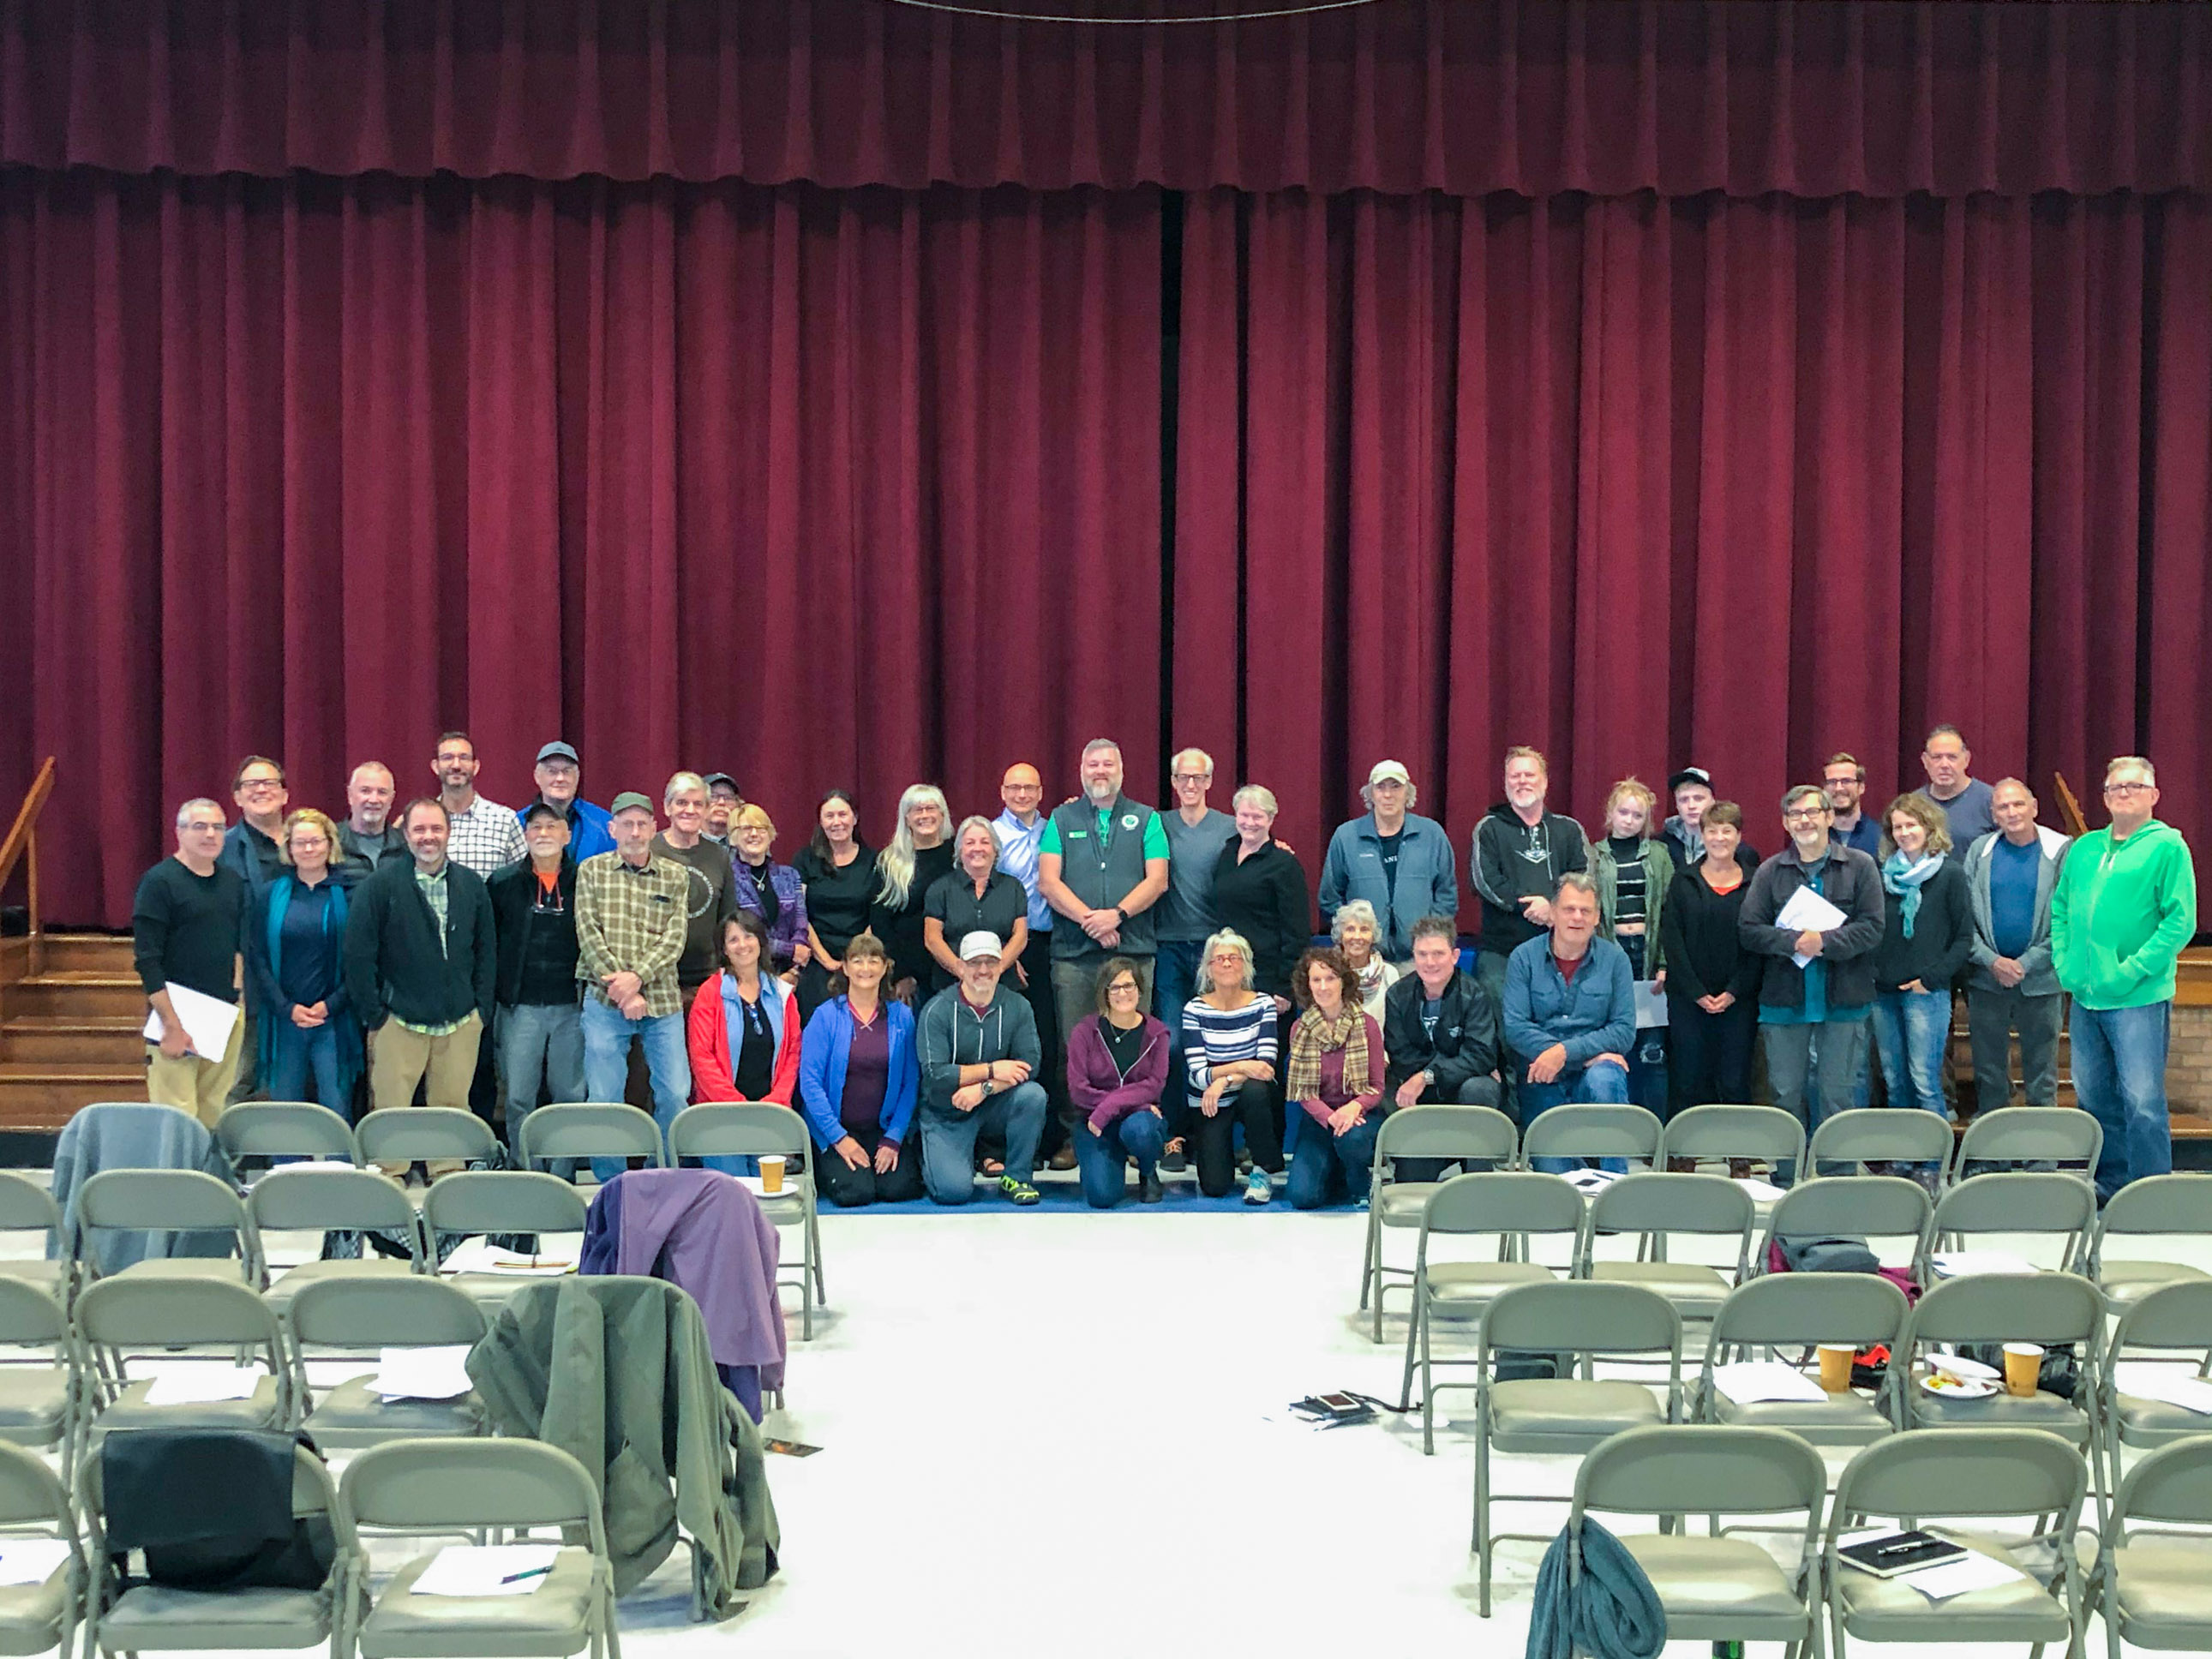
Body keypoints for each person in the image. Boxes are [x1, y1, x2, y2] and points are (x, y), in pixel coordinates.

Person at [2053, 757, 2198, 1199]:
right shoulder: (2084, 849)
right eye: (2115, 788)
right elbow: (2061, 909)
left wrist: (2132, 968)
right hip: (2086, 997)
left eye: (2134, 787)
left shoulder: (2168, 846)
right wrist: (2065, 963)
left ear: (2153, 796)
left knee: (2142, 1102)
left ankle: (2151, 1195)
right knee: (2094, 1099)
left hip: (2138, 996)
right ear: (2104, 798)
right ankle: (2110, 1185)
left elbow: (2179, 922)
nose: (2124, 794)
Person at [343, 798, 496, 1176]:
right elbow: (358, 956)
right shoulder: (379, 886)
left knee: (452, 1107)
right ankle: (391, 1182)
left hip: (460, 1022)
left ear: (448, 832)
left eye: (436, 829)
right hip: (398, 1022)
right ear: (405, 835)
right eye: (420, 830)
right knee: (391, 1112)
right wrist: (376, 1015)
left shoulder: (471, 885)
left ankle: (447, 1177)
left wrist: (480, 1010)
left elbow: (487, 951)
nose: (429, 838)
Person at [1739, 786, 1886, 1168]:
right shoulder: (1771, 871)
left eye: (1811, 812)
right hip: (1784, 1002)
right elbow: (1749, 929)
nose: (1804, 820)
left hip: (1844, 1001)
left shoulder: (1861, 866)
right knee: (1785, 1095)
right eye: (1795, 815)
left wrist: (1823, 942)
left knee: (1837, 1096)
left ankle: (1836, 1180)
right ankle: (1788, 1178)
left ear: (1827, 817)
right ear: (1786, 823)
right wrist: (1795, 942)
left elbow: (1873, 928)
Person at [574, 793, 692, 1171]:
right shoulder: (591, 871)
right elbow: (588, 935)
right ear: (612, 829)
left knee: (675, 1093)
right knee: (605, 1097)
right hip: (605, 1001)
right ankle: (612, 1182)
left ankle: (663, 1172)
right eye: (626, 824)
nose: (635, 831)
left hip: (662, 1002)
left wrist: (638, 978)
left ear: (655, 828)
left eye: (642, 823)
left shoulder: (676, 875)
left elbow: (675, 938)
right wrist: (623, 991)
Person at [1502, 873, 1636, 1171]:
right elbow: (1516, 1027)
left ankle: (1616, 1187)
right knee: (1557, 1180)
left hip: (1592, 1071)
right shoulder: (1523, 958)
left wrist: (1563, 1054)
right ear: (1552, 912)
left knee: (1607, 1078)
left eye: (1585, 910)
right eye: (1569, 909)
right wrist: (1570, 1054)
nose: (1577, 917)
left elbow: (1623, 1031)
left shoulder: (1616, 960)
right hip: (1541, 1076)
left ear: (1597, 916)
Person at [134, 799, 248, 1124]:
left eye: (218, 827)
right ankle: (178, 1177)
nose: (210, 834)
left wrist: (237, 998)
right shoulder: (159, 882)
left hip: (224, 1013)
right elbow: (147, 961)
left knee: (213, 1112)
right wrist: (171, 1024)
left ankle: (206, 1177)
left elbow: (236, 946)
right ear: (179, 833)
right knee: (177, 1118)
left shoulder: (231, 881)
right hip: (177, 1015)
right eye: (200, 826)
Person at [1961, 780, 2071, 1115]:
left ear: (2034, 807)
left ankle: (2042, 1158)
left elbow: (2070, 918)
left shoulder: (2061, 851)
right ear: (1993, 813)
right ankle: (1996, 1156)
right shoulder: (1980, 851)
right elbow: (1964, 917)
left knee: (2042, 1076)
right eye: (2003, 807)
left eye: (2018, 804)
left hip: (2041, 982)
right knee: (1990, 1074)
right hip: (1986, 980)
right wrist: (1992, 961)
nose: (2012, 812)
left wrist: (2026, 963)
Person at [1472, 746, 1591, 1053]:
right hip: (1501, 954)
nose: (1522, 781)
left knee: (1556, 1036)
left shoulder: (1569, 830)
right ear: (1506, 783)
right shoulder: (1489, 828)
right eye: (1515, 775)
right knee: (1505, 1037)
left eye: (1529, 774)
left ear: (1545, 782)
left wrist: (1553, 910)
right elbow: (1486, 881)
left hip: (1557, 952)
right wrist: (1532, 907)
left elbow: (1584, 880)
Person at [914, 931, 1047, 1207]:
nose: (983, 970)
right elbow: (936, 1073)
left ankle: (1017, 1176)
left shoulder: (1018, 1006)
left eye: (991, 962)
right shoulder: (936, 1010)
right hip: (946, 1110)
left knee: (1032, 1095)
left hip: (992, 1102)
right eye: (975, 963)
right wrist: (992, 1070)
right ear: (961, 966)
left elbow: (1030, 1064)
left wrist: (986, 1088)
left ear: (1002, 965)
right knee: (952, 1192)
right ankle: (929, 1150)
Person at [243, 809, 360, 1116]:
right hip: (284, 1019)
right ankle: (288, 1165)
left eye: (315, 842)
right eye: (300, 843)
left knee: (336, 1104)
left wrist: (332, 1004)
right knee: (285, 1107)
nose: (309, 849)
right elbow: (257, 957)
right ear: (289, 848)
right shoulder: (270, 895)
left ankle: (340, 1164)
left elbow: (360, 959)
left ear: (330, 844)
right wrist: (286, 1007)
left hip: (333, 1018)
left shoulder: (350, 895)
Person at [1869, 793, 1973, 1130]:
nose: (1904, 832)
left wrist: (1931, 978)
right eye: (1897, 827)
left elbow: (1963, 939)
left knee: (1925, 1080)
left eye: (1911, 825)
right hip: (1883, 993)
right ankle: (1903, 1157)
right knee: (1895, 1081)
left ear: (1929, 828)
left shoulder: (1950, 875)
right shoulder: (1882, 875)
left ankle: (1931, 1162)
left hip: (1927, 992)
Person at [798, 932, 924, 1208]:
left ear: (885, 967)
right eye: (857, 961)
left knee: (900, 1188)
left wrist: (893, 1138)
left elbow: (910, 1082)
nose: (865, 968)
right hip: (836, 1131)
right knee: (856, 1193)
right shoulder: (825, 1016)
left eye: (873, 961)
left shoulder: (902, 1017)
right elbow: (809, 1083)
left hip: (882, 1129)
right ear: (845, 967)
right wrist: (839, 1139)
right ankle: (829, 1165)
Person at [486, 803, 584, 1157]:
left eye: (552, 826)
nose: (543, 834)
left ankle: (564, 1169)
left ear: (566, 835)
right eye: (536, 827)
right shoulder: (502, 883)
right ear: (525, 836)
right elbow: (488, 944)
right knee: (517, 1096)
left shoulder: (585, 881)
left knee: (570, 1095)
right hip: (519, 1007)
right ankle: (523, 1166)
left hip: (571, 1006)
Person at [1658, 801, 1761, 1115]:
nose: (1719, 838)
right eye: (1712, 831)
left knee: (1735, 1079)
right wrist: (1697, 993)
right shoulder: (1683, 881)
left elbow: (1760, 944)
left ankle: (1738, 1156)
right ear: (1702, 835)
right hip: (1688, 998)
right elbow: (1672, 940)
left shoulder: (1756, 883)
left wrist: (1733, 992)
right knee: (1687, 1077)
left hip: (1739, 999)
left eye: (1727, 830)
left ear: (1739, 836)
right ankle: (1683, 1154)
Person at [1589, 778, 1675, 1117]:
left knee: (1652, 1048)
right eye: (1623, 812)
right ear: (1610, 813)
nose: (1629, 820)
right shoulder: (1593, 854)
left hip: (1648, 953)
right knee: (1612, 1041)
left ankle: (1653, 1132)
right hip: (1610, 952)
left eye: (1637, 816)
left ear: (1647, 822)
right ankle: (1615, 1127)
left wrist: (1665, 962)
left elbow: (1670, 910)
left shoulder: (1658, 854)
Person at [1181, 929, 1284, 1203]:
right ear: (1208, 969)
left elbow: (1265, 1066)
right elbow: (1198, 1074)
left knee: (1256, 1089)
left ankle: (1262, 1171)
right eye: (1220, 959)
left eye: (1234, 958)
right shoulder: (1195, 1009)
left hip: (1249, 1094)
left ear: (1246, 965)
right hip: (1210, 1100)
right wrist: (1239, 1067)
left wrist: (1223, 1079)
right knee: (1215, 1186)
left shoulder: (1263, 1004)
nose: (1227, 964)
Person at [1318, 760, 1457, 963]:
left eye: (1396, 787)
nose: (1388, 795)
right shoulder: (1346, 836)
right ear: (1370, 793)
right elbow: (1330, 898)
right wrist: (1355, 937)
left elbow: (1447, 894)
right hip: (1362, 960)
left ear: (1408, 793)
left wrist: (1428, 937)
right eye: (1380, 787)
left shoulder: (1432, 834)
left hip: (1419, 959)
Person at [1283, 945, 1389, 1209]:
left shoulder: (1367, 1025)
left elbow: (1376, 1087)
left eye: (1330, 978)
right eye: (1316, 979)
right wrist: (1330, 1117)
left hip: (1360, 1118)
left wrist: (1353, 1108)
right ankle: (1334, 1170)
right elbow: (1303, 1093)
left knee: (1351, 1138)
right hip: (1320, 1120)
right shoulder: (1300, 1028)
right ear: (1307, 984)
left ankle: (1358, 1180)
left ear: (1344, 981)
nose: (1323, 987)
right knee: (1302, 1197)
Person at [1382, 916, 1502, 1144]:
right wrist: (1427, 1078)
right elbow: (1401, 1057)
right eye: (1422, 954)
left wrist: (1430, 1075)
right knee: (1412, 1171)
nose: (1430, 962)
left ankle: (1476, 1169)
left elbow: (1481, 1056)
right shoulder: (1397, 996)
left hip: (1462, 1089)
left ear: (1455, 956)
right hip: (1419, 1093)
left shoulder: (1475, 995)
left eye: (1438, 954)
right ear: (1414, 957)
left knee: (1480, 1088)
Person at [991, 762, 1063, 1138]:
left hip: (1057, 942)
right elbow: (983, 896)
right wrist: (1009, 951)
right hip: (1008, 948)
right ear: (1002, 792)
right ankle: (1007, 1137)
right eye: (1014, 788)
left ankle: (1052, 1135)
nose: (1022, 795)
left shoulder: (1057, 829)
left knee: (1049, 1040)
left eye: (1029, 788)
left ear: (1040, 792)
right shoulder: (991, 835)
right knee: (1011, 1041)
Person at [1064, 958, 1172, 1207]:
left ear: (1140, 989)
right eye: (1114, 987)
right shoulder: (1084, 1032)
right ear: (1104, 992)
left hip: (1136, 1121)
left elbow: (1154, 1085)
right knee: (1102, 1197)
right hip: (1094, 1123)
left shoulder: (1157, 1033)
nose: (1123, 993)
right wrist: (1128, 1105)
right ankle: (1104, 1163)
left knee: (1141, 1130)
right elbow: (1078, 1090)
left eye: (1129, 985)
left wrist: (1111, 1107)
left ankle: (1147, 1171)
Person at [219, 755, 289, 1102]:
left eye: (270, 782)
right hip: (244, 981)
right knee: (238, 1077)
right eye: (252, 784)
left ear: (285, 795)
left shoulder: (307, 842)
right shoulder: (221, 849)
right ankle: (222, 1156)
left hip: (299, 980)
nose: (262, 789)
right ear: (237, 797)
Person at [1155, 749, 1238, 1035]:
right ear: (1174, 782)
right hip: (1168, 945)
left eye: (1198, 778)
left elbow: (1260, 849)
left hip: (1215, 944)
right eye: (1184, 778)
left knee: (1214, 1034)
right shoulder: (1156, 823)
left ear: (1209, 782)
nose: (1191, 785)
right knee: (1173, 1037)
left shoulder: (1231, 826)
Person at [686, 912, 801, 1108]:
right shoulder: (710, 993)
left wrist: (775, 1101)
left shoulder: (782, 994)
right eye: (733, 940)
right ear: (724, 950)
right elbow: (702, 1058)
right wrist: (738, 1106)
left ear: (760, 941)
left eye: (748, 936)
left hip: (773, 1112)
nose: (742, 945)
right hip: (721, 1112)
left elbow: (793, 1053)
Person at [1209, 786, 1310, 1005]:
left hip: (1267, 978)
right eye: (1244, 815)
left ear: (1271, 819)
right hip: (1228, 973)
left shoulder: (1284, 865)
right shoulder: (1226, 854)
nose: (1250, 822)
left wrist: (1285, 987)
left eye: (1258, 817)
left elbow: (1297, 932)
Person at [651, 771, 739, 1003]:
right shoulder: (650, 851)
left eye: (698, 804)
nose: (689, 810)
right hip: (655, 982)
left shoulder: (719, 857)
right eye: (681, 803)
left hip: (706, 982)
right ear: (667, 807)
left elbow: (728, 919)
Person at [923, 816, 1028, 998]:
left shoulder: (1013, 887)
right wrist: (963, 971)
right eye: (970, 842)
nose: (977, 848)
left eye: (985, 842)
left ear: (995, 850)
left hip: (1003, 986)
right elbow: (932, 939)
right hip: (952, 985)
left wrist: (996, 970)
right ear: (959, 851)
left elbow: (1020, 936)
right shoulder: (940, 888)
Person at [795, 790, 878, 1021]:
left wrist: (854, 960)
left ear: (855, 818)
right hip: (816, 961)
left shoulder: (875, 861)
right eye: (829, 816)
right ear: (821, 822)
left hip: (863, 961)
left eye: (843, 814)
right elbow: (800, 914)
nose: (837, 822)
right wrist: (827, 961)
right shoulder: (805, 860)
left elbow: (877, 917)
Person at [869, 783, 956, 1004]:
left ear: (942, 814)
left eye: (931, 808)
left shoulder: (959, 855)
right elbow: (881, 924)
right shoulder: (889, 862)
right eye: (917, 810)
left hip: (956, 969)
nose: (925, 815)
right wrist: (902, 974)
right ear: (906, 818)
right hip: (912, 978)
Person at [728, 804, 809, 978]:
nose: (754, 834)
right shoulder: (727, 879)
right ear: (734, 837)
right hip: (746, 974)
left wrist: (793, 973)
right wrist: (790, 950)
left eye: (761, 828)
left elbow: (801, 926)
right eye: (746, 828)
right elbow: (737, 934)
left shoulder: (790, 875)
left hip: (791, 975)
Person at [432, 731, 526, 877]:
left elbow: (524, 879)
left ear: (475, 766)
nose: (456, 765)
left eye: (464, 758)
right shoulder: (422, 821)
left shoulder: (505, 820)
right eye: (447, 758)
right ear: (435, 766)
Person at [522, 741, 614, 864]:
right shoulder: (517, 823)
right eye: (552, 772)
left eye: (567, 771)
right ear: (537, 777)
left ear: (577, 776)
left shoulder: (604, 823)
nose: (560, 778)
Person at [1917, 725, 1998, 847]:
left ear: (1966, 759)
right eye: (1937, 757)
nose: (1944, 764)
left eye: (1952, 757)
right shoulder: (1913, 804)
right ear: (1925, 761)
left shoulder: (1992, 801)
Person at [1331, 901, 1401, 1021]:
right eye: (1350, 929)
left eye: (1364, 930)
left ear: (1373, 936)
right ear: (1340, 936)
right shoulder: (1330, 974)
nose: (1357, 936)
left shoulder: (1389, 974)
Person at [336, 762, 405, 871]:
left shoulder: (406, 846)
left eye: (382, 792)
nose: (374, 800)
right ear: (350, 795)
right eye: (365, 791)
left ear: (391, 799)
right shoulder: (331, 843)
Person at [1823, 753, 1882, 859]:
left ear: (1861, 787)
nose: (1839, 788)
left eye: (1846, 781)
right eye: (1832, 782)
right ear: (1824, 788)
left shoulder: (1881, 836)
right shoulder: (1814, 836)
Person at [702, 774, 743, 845]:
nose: (722, 802)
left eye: (728, 798)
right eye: (713, 796)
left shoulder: (744, 846)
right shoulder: (685, 841)